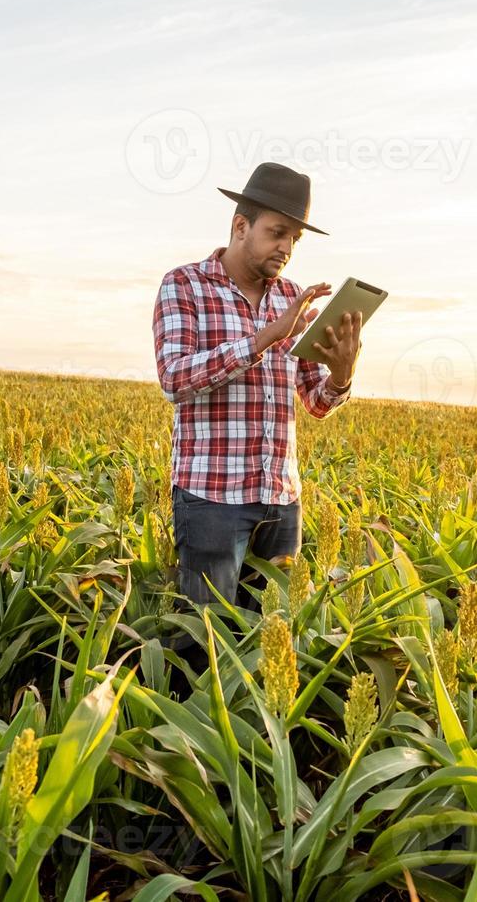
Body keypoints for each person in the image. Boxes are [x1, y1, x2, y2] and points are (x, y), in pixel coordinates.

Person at [151, 162, 364, 640]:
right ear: (240, 226)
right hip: (212, 500)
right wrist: (267, 336)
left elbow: (315, 400)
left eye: (294, 239)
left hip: (281, 502)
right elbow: (175, 378)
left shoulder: (292, 296)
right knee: (202, 642)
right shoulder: (184, 286)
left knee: (272, 642)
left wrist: (343, 372)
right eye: (277, 232)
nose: (286, 248)